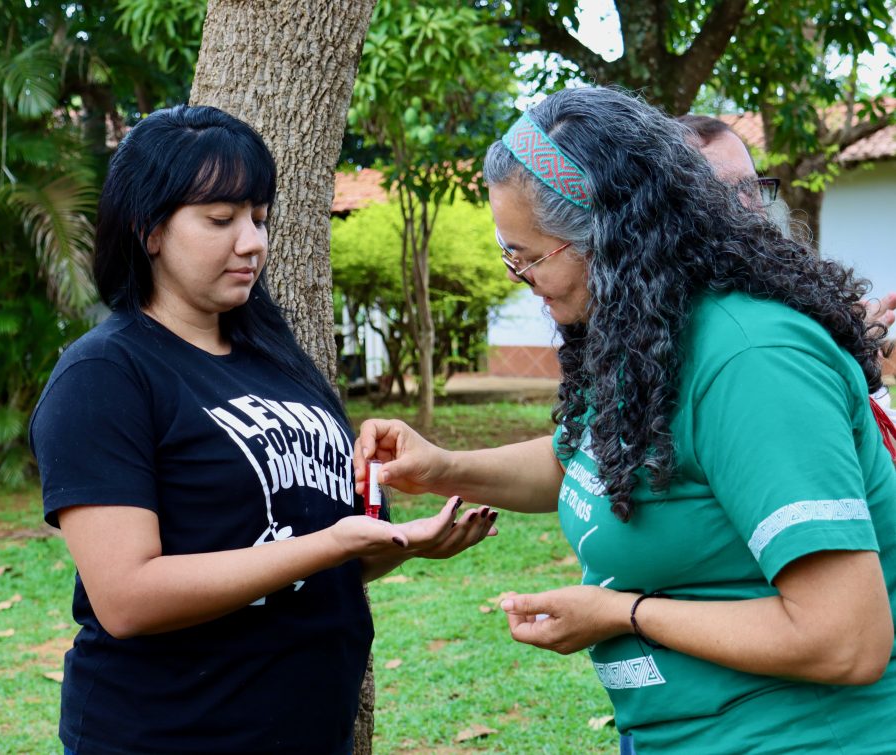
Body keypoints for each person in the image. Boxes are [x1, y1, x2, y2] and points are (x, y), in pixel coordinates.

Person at [356, 87, 896, 752]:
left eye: (527, 255)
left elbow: (847, 639)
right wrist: (440, 467)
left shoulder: (752, 363)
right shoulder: (649, 328)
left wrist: (621, 613)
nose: (518, 276)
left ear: (609, 235)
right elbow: (580, 459)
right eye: (508, 254)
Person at [28, 104, 498, 755]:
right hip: (170, 735)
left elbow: (312, 556)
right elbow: (127, 596)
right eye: (221, 220)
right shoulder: (106, 375)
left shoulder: (279, 362)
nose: (252, 241)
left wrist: (403, 542)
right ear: (149, 230)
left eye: (259, 218)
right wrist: (330, 544)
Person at [679, 113, 896, 432]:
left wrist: (848, 345)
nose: (751, 210)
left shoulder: (771, 310)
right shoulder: (757, 349)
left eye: (752, 188)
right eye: (721, 193)